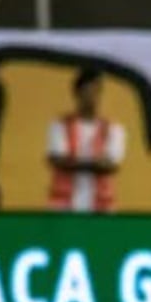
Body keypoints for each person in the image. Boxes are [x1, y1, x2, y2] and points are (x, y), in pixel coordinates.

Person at [47, 69, 126, 213]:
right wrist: (95, 164)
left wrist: (73, 162)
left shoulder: (114, 129)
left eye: (96, 92)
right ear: (76, 94)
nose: (91, 97)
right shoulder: (59, 126)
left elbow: (111, 166)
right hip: (64, 205)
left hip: (101, 206)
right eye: (87, 92)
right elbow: (57, 161)